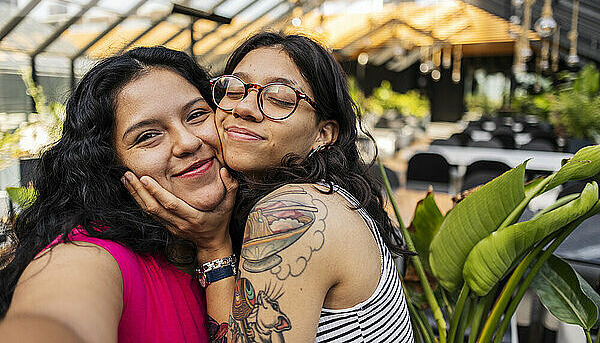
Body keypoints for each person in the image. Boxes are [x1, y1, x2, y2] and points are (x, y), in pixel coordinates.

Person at [124, 32, 414, 342]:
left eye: (279, 98)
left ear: (324, 133)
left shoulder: (293, 210)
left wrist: (213, 247)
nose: (244, 108)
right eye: (234, 90)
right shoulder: (324, 194)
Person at [0, 47, 237, 343]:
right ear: (110, 164)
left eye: (197, 114)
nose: (187, 142)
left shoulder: (255, 226)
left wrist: (215, 246)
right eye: (148, 135)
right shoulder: (88, 258)